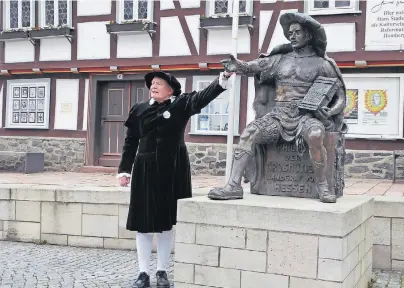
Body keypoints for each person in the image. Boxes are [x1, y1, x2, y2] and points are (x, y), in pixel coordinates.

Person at [208, 12, 348, 203]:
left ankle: (322, 187)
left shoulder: (322, 64)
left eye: (297, 32)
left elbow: (340, 96)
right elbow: (254, 66)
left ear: (309, 35)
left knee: (315, 135)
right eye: (290, 32)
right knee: (249, 132)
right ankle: (233, 185)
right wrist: (238, 65)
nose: (292, 36)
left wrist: (331, 111)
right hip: (278, 117)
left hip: (306, 117)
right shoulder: (280, 59)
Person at [117, 70, 232, 287]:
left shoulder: (181, 104)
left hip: (173, 169)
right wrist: (125, 170)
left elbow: (202, 97)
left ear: (171, 89)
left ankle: (161, 271)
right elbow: (130, 141)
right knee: (143, 223)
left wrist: (221, 80)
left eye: (159, 83)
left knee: (166, 223)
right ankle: (143, 273)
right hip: (145, 169)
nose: (153, 86)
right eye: (152, 83)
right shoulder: (139, 109)